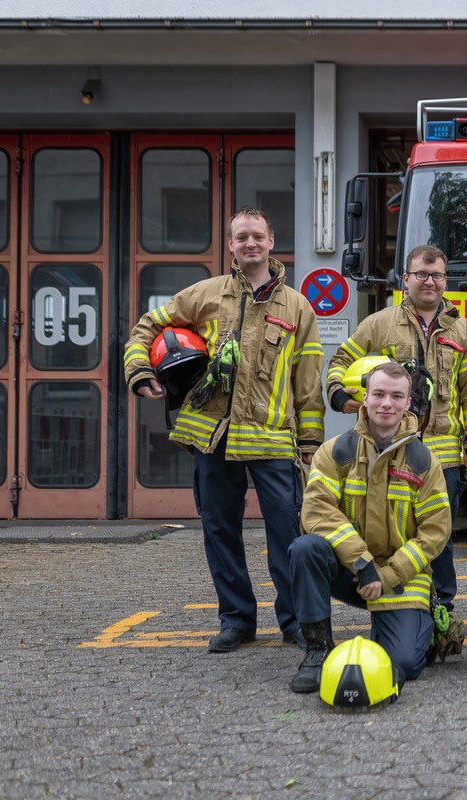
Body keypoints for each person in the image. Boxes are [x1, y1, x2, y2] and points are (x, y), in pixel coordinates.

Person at [123, 206, 324, 653]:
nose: (249, 243)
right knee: (220, 531)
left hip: (272, 440)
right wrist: (140, 371)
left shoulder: (297, 307)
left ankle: (294, 621)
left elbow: (307, 379)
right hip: (211, 436)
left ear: (272, 242)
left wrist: (310, 442)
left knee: (288, 534)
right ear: (230, 245)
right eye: (241, 237)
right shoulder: (204, 295)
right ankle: (236, 620)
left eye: (257, 236)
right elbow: (144, 329)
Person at [325, 244, 467, 613]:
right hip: (385, 450)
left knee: (439, 534)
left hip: (443, 453)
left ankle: (441, 604)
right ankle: (398, 598)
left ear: (445, 281)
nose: (429, 282)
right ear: (406, 279)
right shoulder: (379, 323)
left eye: (437, 275)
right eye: (421, 275)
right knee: (394, 529)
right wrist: (340, 395)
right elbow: (340, 360)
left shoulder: (464, 330)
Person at [289, 361, 451, 693]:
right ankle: (317, 650)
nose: (386, 404)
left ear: (408, 402)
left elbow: (434, 533)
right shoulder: (334, 452)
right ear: (365, 397)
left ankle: (422, 631)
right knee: (306, 549)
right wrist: (362, 563)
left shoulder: (424, 461)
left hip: (398, 575)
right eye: (378, 394)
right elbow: (317, 512)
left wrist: (387, 574)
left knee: (403, 665)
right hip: (351, 568)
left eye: (396, 396)